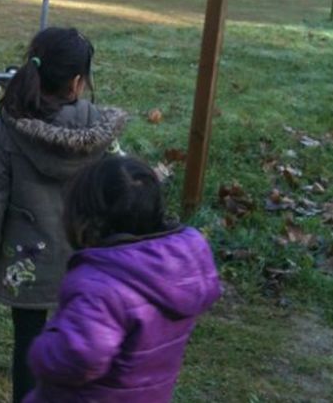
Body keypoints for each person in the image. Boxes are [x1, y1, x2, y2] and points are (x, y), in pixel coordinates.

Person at [0, 27, 128, 403]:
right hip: (87, 259)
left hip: (28, 259)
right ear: (76, 82)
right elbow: (125, 183)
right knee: (83, 338)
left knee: (28, 341)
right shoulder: (98, 128)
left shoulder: (7, 125)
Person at [24, 156, 222, 403]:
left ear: (86, 221)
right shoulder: (175, 272)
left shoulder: (99, 284)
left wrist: (42, 350)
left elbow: (81, 355)